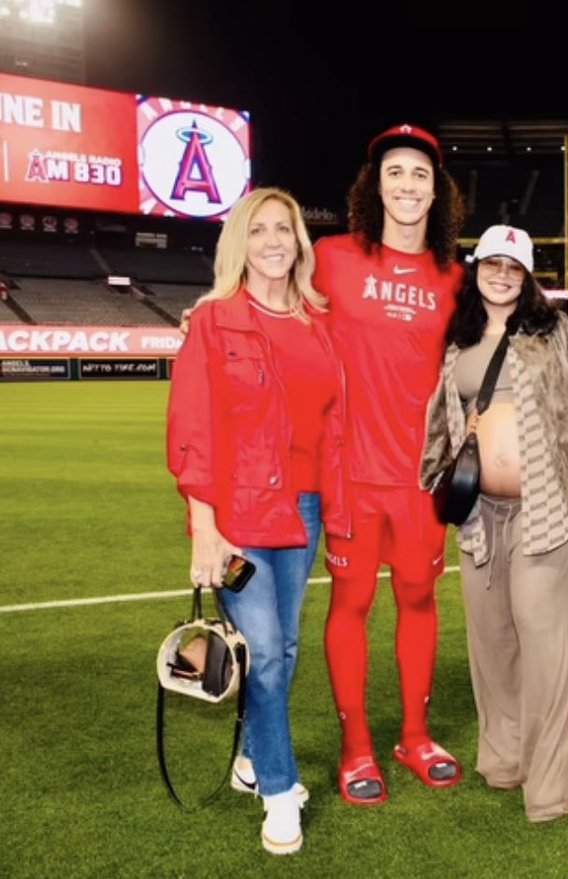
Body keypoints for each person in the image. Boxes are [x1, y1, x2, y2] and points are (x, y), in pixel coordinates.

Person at [420, 225, 568, 822]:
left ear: (528, 275)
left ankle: (551, 780)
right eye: (493, 263)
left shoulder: (559, 332)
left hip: (546, 510)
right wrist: (439, 467)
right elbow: (445, 414)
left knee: (545, 644)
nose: (503, 274)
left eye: (515, 267)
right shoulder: (458, 341)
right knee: (492, 642)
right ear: (477, 268)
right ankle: (505, 759)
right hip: (481, 515)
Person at [166, 187, 347, 855]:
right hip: (240, 518)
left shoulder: (317, 324)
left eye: (286, 228)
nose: (275, 239)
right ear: (241, 242)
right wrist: (206, 528)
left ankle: (249, 757)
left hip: (303, 513)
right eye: (260, 228)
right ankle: (278, 788)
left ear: (301, 241)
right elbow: (192, 430)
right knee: (266, 652)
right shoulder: (213, 322)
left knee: (284, 648)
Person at [312, 123, 468, 805]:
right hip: (349, 473)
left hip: (422, 477)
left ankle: (413, 733)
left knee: (419, 598)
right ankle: (355, 748)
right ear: (375, 186)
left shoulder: (455, 276)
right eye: (395, 172)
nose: (407, 184)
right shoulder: (331, 257)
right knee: (352, 602)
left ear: (438, 192)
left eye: (420, 174)